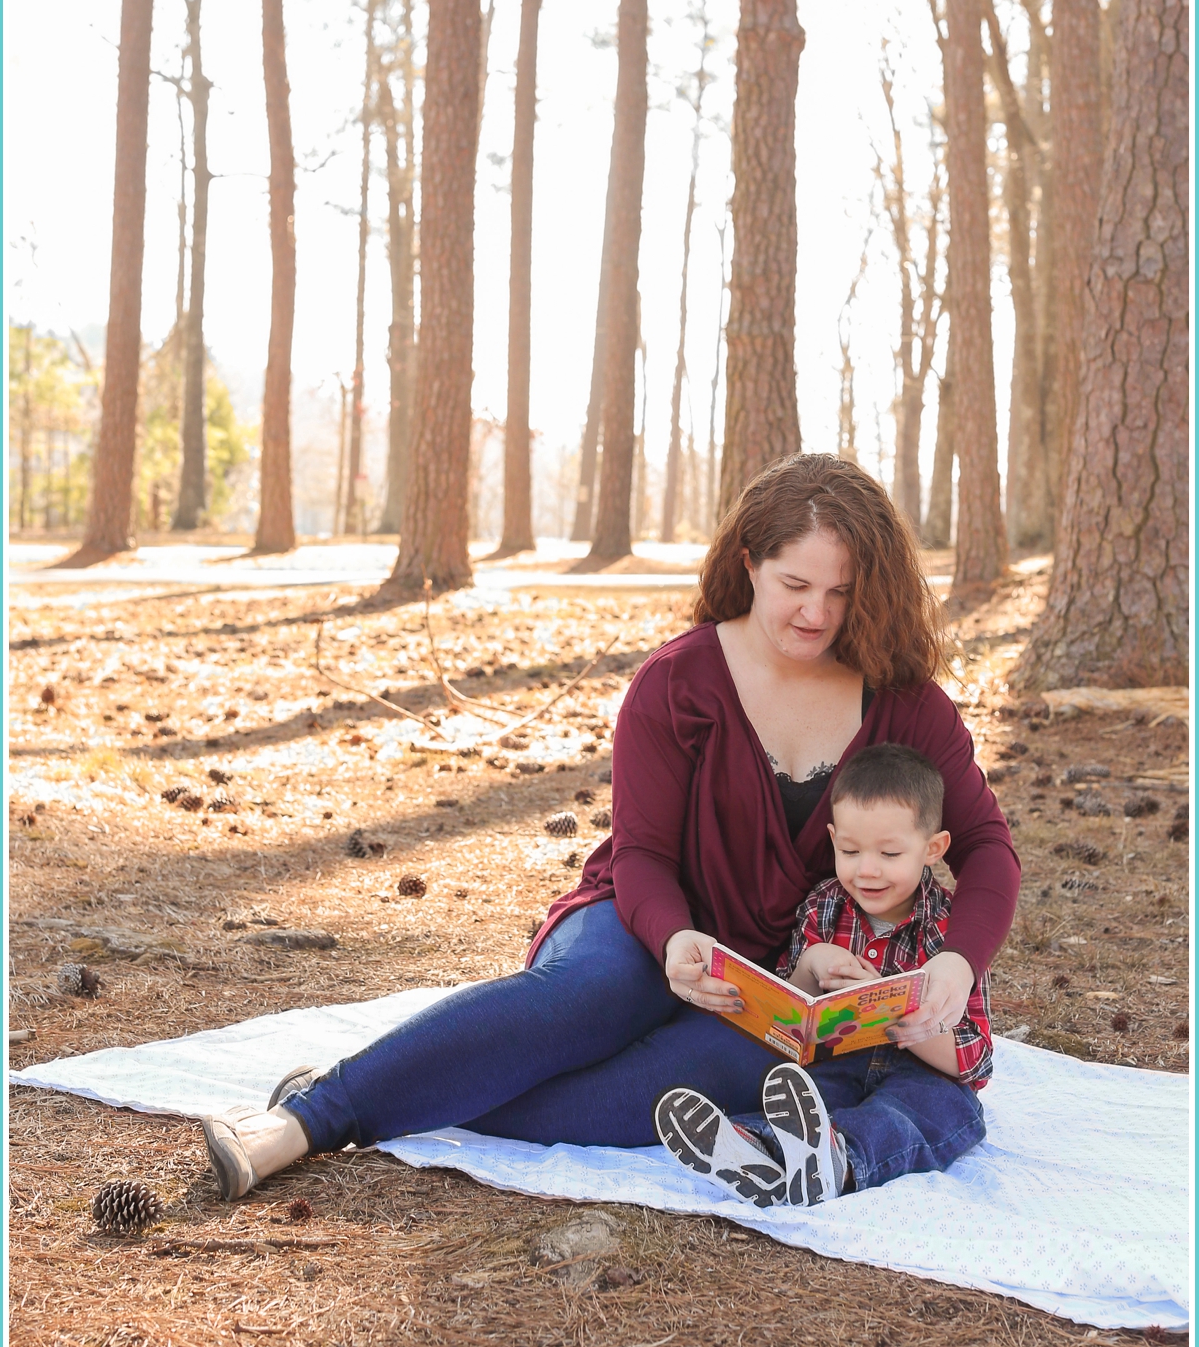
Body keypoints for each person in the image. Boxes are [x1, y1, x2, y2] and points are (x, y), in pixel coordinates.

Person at [200, 454, 1020, 1200]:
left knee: (671, 1087)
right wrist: (671, 944)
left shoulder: (908, 705)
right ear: (749, 564)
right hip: (644, 920)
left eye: (840, 593)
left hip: (773, 980)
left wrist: (956, 962)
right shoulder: (680, 681)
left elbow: (987, 849)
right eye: (794, 584)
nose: (816, 613)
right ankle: (311, 1115)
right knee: (598, 994)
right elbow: (642, 856)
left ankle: (399, 1085)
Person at [653, 742, 993, 1209]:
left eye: (890, 854)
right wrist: (809, 969)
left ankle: (843, 1161)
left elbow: (974, 1062)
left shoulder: (953, 929)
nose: (867, 870)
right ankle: (751, 1148)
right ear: (833, 839)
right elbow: (791, 1018)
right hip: (840, 1063)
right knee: (808, 1097)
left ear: (932, 849)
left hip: (928, 1075)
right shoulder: (825, 906)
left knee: (915, 1113)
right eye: (850, 850)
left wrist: (899, 1019)